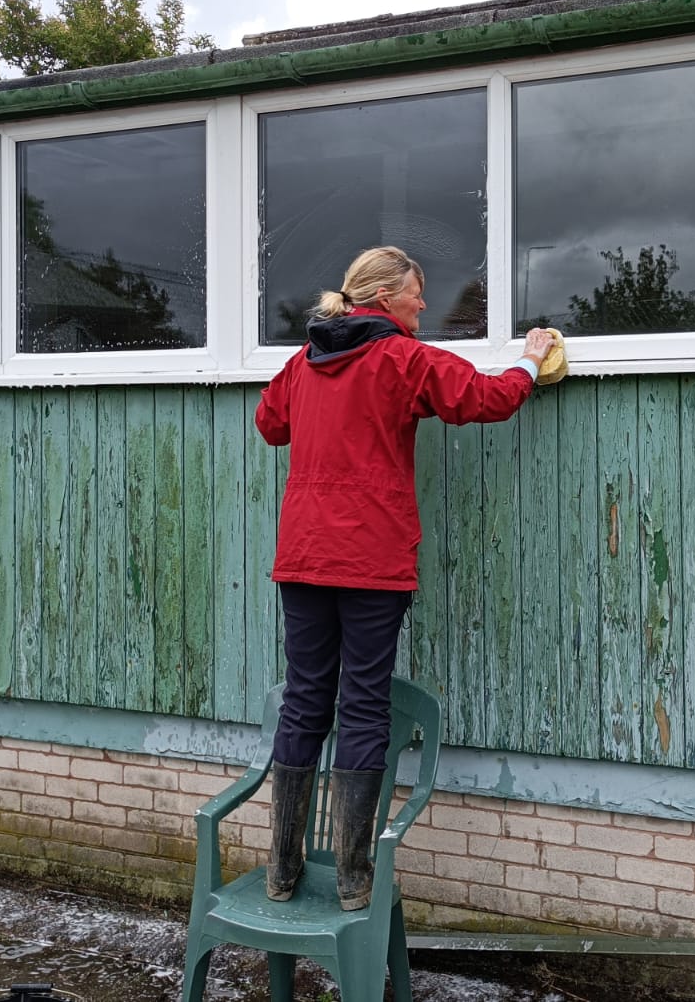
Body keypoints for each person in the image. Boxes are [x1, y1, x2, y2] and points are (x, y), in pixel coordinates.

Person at [254, 245, 556, 910]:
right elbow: (488, 398)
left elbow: (269, 423)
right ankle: (355, 879)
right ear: (385, 297)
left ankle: (281, 869)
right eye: (417, 293)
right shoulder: (401, 359)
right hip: (370, 560)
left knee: (306, 700)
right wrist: (530, 361)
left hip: (303, 558)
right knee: (362, 705)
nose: (425, 304)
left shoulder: (304, 361)